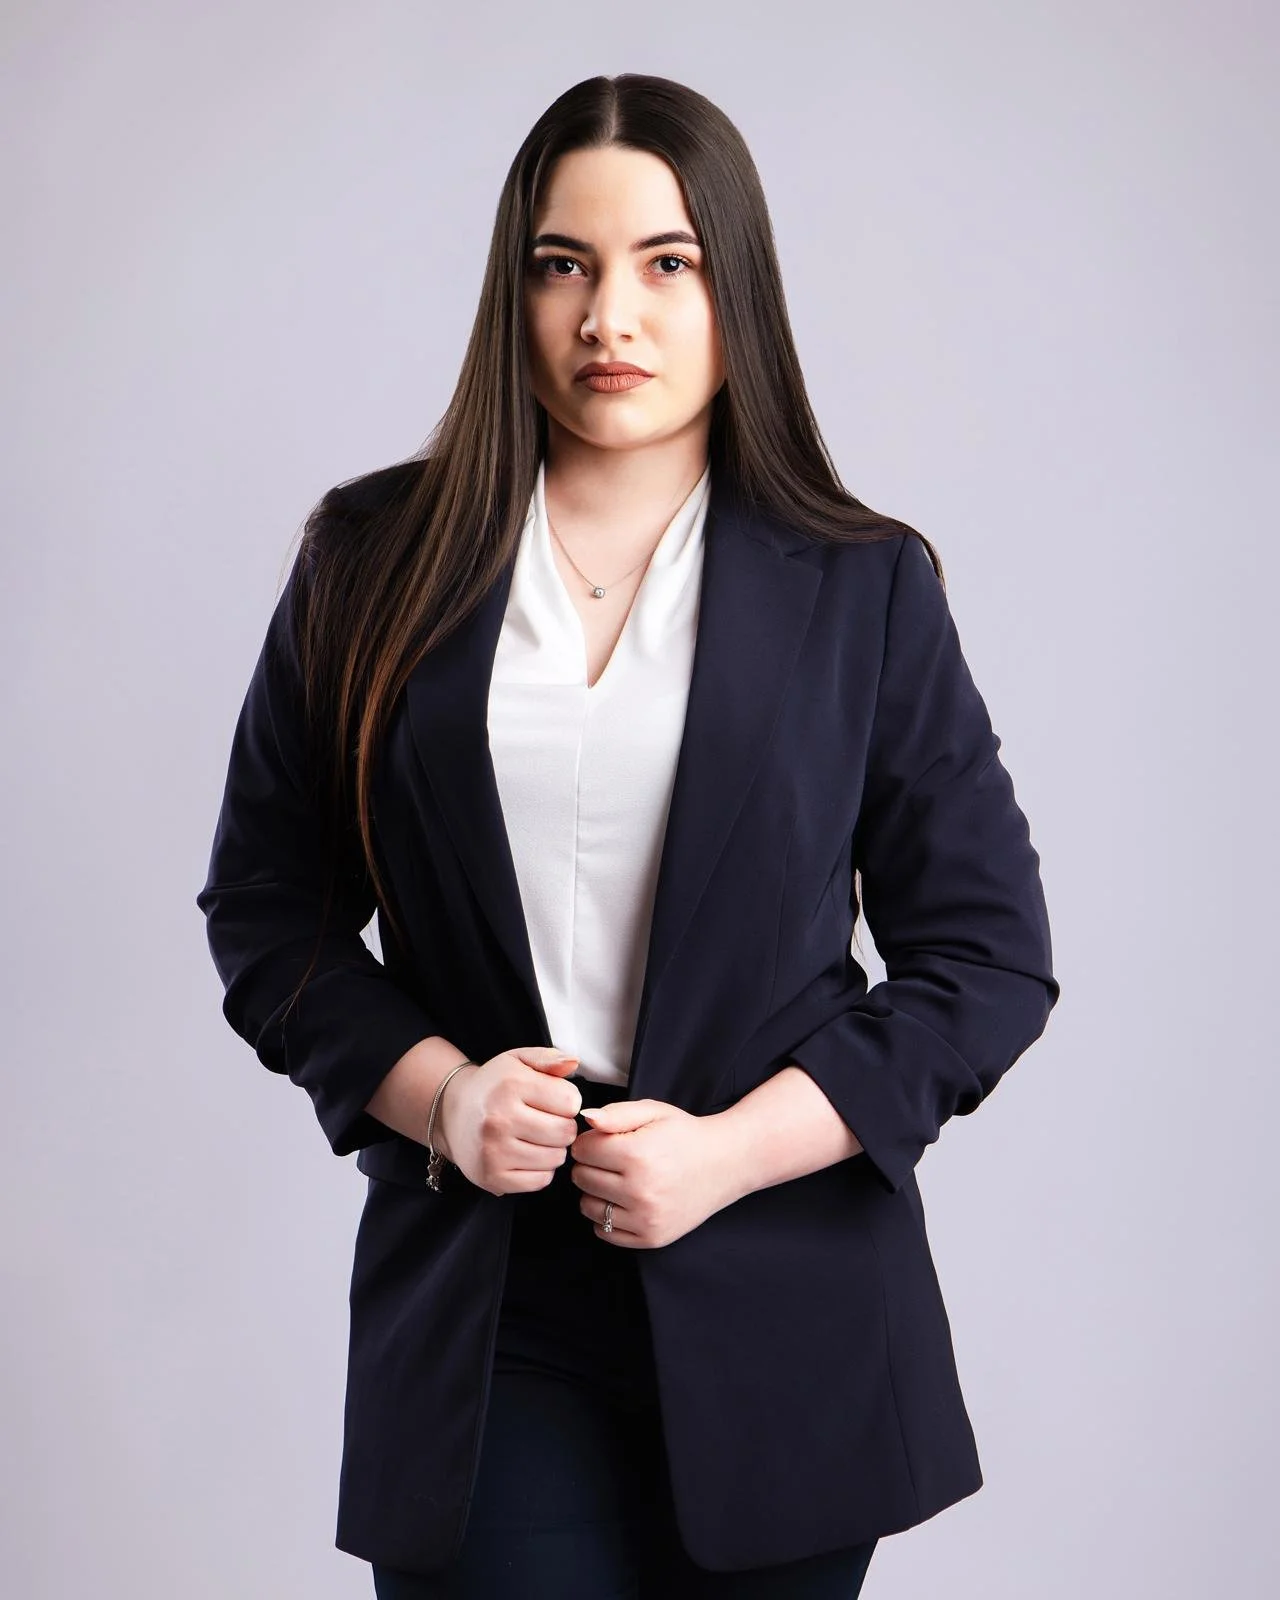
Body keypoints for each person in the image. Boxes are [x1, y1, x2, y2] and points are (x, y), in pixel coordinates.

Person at [195, 72, 1060, 1599]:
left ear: (738, 294)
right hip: (486, 1313)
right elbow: (272, 915)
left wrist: (730, 1155)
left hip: (785, 1311)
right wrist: (447, 1099)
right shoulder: (368, 566)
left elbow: (987, 960)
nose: (613, 317)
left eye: (669, 264)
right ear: (511, 292)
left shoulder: (863, 590)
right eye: (563, 265)